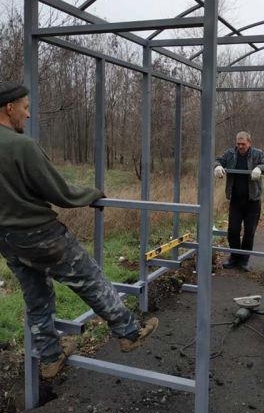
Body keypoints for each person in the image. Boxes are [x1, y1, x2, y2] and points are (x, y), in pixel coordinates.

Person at [0, 81, 159, 380]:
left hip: (7, 241)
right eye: (25, 107)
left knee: (36, 295)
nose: (28, 115)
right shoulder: (21, 145)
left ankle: (49, 357)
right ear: (10, 108)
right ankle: (129, 331)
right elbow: (59, 191)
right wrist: (93, 194)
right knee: (90, 278)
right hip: (40, 235)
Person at [214, 131, 264, 272]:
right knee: (233, 230)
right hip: (235, 200)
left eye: (243, 144)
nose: (240, 146)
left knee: (249, 232)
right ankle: (234, 257)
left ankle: (244, 259)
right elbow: (217, 160)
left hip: (253, 200)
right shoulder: (230, 154)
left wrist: (259, 168)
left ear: (249, 143)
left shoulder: (257, 154)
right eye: (238, 143)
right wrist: (217, 166)